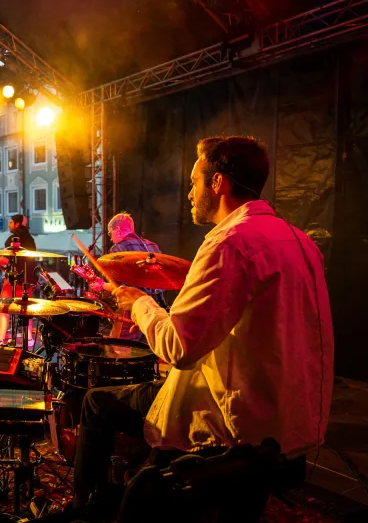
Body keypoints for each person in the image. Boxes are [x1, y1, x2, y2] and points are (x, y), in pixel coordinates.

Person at [73, 136, 334, 512]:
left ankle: (89, 509)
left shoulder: (228, 243)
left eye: (194, 182)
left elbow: (178, 348)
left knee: (97, 403)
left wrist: (139, 302)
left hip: (239, 422)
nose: (189, 194)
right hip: (293, 419)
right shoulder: (299, 240)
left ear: (219, 183)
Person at [94, 212, 167, 342]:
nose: (111, 239)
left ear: (117, 229)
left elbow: (122, 288)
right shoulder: (152, 246)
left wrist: (101, 286)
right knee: (147, 351)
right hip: (157, 307)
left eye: (111, 234)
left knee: (119, 349)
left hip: (134, 307)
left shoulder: (120, 249)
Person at [0, 214, 36, 345]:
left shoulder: (12, 239)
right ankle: (29, 339)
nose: (9, 225)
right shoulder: (31, 240)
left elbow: (6, 259)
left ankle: (0, 338)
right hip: (29, 278)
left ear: (16, 224)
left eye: (10, 223)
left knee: (4, 308)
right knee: (26, 309)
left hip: (14, 280)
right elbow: (21, 262)